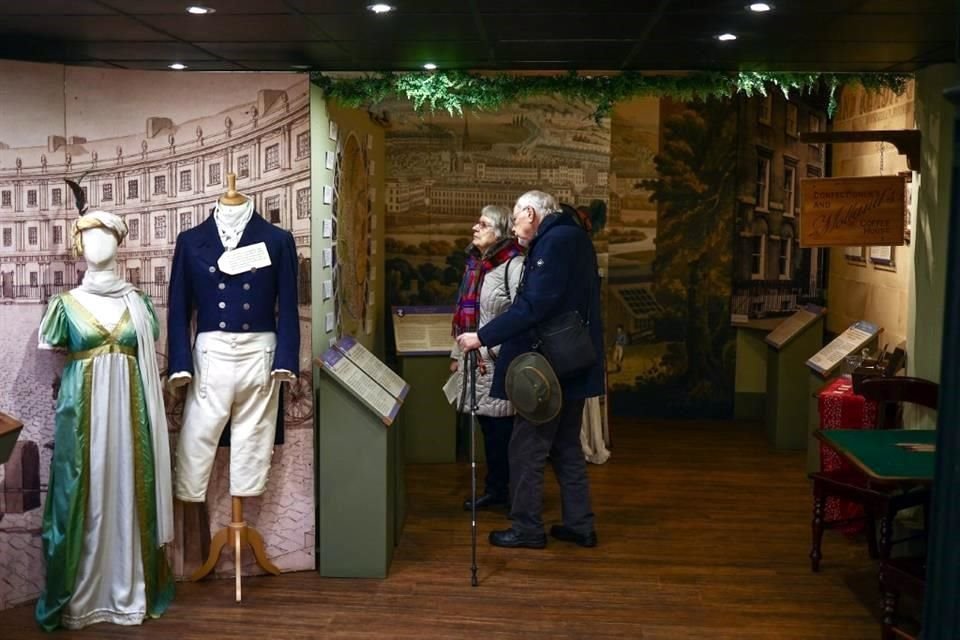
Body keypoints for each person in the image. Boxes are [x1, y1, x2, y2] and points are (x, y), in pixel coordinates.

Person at [35, 202, 174, 630]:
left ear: (119, 242)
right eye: (89, 236)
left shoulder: (138, 303)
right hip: (83, 415)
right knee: (84, 490)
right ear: (78, 245)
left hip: (131, 412)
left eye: (106, 235)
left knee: (129, 486)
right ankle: (81, 592)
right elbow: (55, 348)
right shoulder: (65, 305)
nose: (97, 244)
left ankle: (129, 585)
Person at [457, 190, 604, 549]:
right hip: (572, 360)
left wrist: (482, 336)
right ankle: (579, 525)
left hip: (547, 368)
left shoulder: (553, 243)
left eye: (517, 216)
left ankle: (526, 528)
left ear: (530, 213)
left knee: (526, 449)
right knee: (567, 447)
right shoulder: (575, 237)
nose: (515, 225)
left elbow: (535, 306)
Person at [167, 178, 299, 505]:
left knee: (255, 435)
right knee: (196, 435)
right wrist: (180, 363)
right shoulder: (191, 241)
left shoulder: (277, 240)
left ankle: (246, 491)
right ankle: (189, 489)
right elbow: (179, 308)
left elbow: (289, 306)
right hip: (210, 354)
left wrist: (286, 360)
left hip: (260, 353)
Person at [451, 205, 524, 511]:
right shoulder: (477, 265)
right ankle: (496, 489)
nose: (474, 228)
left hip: (499, 363)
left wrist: (495, 349)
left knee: (503, 433)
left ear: (499, 232)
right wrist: (457, 354)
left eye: (482, 224)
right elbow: (467, 315)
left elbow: (522, 316)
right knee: (488, 430)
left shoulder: (513, 265)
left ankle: (509, 495)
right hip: (476, 362)